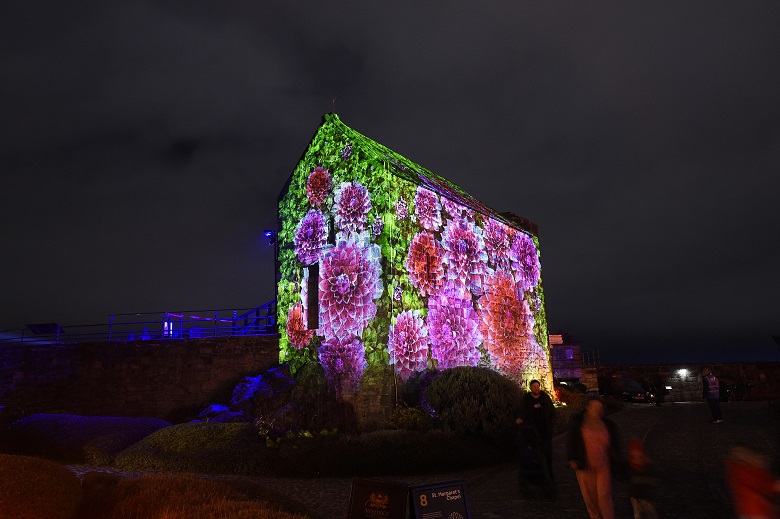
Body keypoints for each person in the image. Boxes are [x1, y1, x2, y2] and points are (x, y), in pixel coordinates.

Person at [567, 398, 622, 519]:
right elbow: (572, 441)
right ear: (588, 408)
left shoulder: (608, 424)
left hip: (603, 465)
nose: (596, 410)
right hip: (585, 466)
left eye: (599, 408)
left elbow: (615, 444)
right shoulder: (579, 423)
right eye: (594, 407)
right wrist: (572, 458)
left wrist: (618, 459)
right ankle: (595, 516)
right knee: (590, 497)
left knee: (604, 496)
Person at [724, 445, 780, 519]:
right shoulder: (740, 471)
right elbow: (763, 485)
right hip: (755, 512)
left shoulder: (760, 472)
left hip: (760, 511)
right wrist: (773, 485)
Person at [516, 379, 556, 482]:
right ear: (531, 388)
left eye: (538, 386)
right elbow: (521, 411)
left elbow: (552, 412)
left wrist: (551, 424)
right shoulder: (526, 400)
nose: (536, 389)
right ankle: (541, 476)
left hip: (545, 431)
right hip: (532, 433)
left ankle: (550, 474)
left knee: (548, 455)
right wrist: (520, 419)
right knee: (537, 455)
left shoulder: (545, 398)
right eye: (534, 387)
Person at [627, 437, 659, 519]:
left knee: (648, 512)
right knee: (639, 513)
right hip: (636, 495)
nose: (636, 454)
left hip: (644, 495)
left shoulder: (645, 464)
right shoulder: (631, 465)